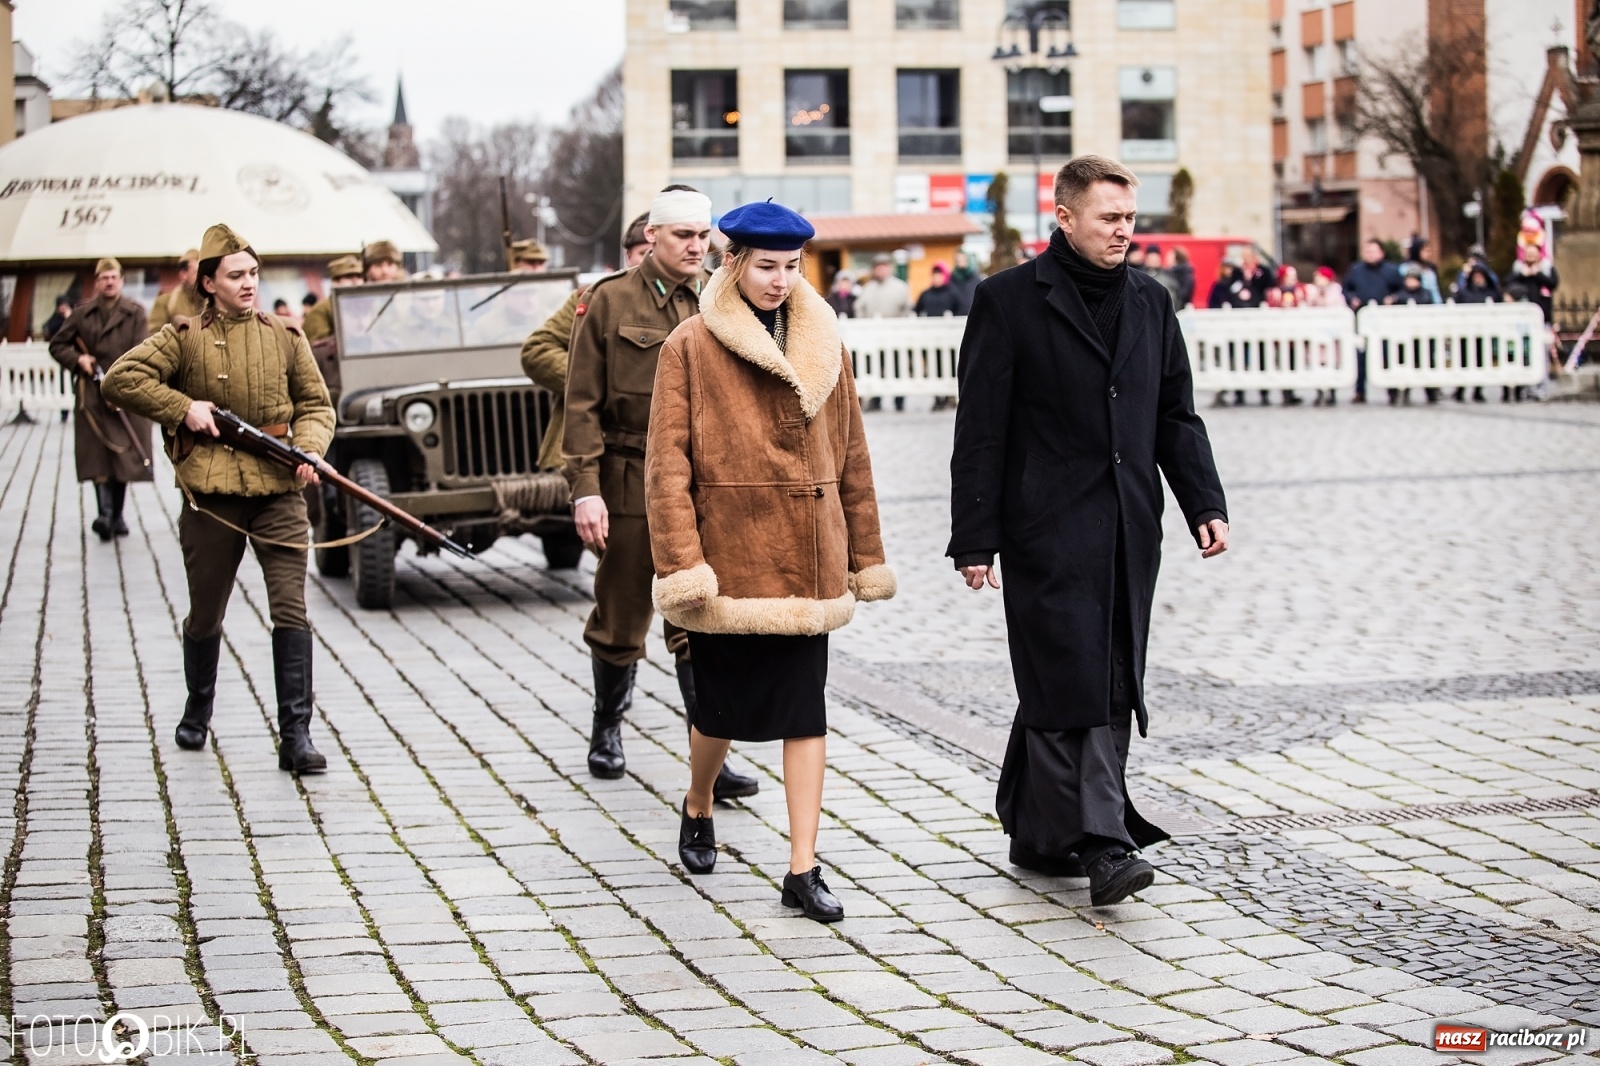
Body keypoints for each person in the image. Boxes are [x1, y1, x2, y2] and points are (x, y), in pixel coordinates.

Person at [947, 156, 1230, 907]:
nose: (1124, 231)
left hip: (1131, 526)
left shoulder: (1152, 301)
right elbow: (981, 430)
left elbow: (1175, 414)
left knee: (1108, 674)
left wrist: (1204, 502)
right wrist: (974, 537)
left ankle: (1038, 833)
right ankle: (1106, 845)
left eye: (1130, 218)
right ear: (1065, 218)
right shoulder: (1007, 301)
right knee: (1069, 676)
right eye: (1109, 218)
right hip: (1044, 528)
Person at [645, 200, 893, 921]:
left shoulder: (825, 341)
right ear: (733, 263)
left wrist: (864, 555)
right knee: (718, 713)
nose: (780, 280)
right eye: (766, 267)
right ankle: (699, 801)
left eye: (791, 267)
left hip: (808, 561)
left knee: (804, 715)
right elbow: (666, 469)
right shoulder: (689, 345)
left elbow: (852, 454)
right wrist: (684, 565)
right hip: (732, 559)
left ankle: (802, 867)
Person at [102, 224, 334, 773]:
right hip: (211, 493)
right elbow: (120, 380)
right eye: (236, 275)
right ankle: (198, 707)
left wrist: (307, 448)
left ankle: (296, 735)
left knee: (291, 609)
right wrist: (183, 408)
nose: (249, 283)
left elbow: (316, 405)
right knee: (206, 612)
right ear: (209, 283)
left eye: (253, 273)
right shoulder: (184, 337)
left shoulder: (286, 335)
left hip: (279, 487)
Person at [563, 186, 760, 801]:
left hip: (701, 487)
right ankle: (606, 730)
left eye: (703, 236)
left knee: (700, 619)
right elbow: (581, 404)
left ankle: (711, 758)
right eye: (683, 236)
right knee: (621, 615)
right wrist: (585, 490)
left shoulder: (722, 297)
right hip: (628, 479)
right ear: (652, 236)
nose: (696, 247)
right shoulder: (608, 300)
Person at [522, 213, 651, 474]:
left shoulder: (699, 300)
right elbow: (537, 349)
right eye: (644, 253)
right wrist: (596, 382)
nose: (652, 259)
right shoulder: (595, 297)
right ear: (628, 257)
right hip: (590, 449)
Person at [47, 258, 155, 541]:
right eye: (104, 277)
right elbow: (58, 345)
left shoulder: (135, 313)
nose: (109, 282)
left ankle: (117, 516)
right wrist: (78, 359)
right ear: (97, 283)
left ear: (121, 281)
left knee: (122, 455)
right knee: (98, 456)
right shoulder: (82, 314)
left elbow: (142, 353)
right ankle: (105, 515)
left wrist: (120, 388)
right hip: (92, 396)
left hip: (125, 393)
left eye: (113, 277)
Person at [1343, 238, 1402, 403]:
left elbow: (1401, 290)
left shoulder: (1391, 270)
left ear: (1382, 253)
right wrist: (1351, 299)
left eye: (1373, 251)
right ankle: (1360, 391)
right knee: (1361, 356)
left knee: (1388, 354)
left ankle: (1392, 390)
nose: (1370, 254)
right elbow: (1346, 288)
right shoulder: (1356, 270)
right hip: (1363, 318)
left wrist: (1393, 298)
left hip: (1385, 319)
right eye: (1367, 251)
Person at [855, 254, 913, 411]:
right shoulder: (868, 288)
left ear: (889, 268)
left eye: (883, 267)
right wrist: (865, 325)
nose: (880, 270)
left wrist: (899, 326)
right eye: (878, 267)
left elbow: (907, 308)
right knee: (875, 368)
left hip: (896, 336)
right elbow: (859, 308)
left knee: (898, 368)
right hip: (874, 337)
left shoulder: (900, 287)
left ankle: (899, 400)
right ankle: (876, 399)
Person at [1304, 267, 1346, 406]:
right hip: (1315, 334)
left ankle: (1332, 392)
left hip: (1331, 335)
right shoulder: (1311, 292)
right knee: (1316, 362)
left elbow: (1339, 308)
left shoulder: (1336, 292)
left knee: (1333, 362)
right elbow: (1307, 306)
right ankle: (1319, 392)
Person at [148, 248, 205, 332]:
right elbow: (154, 333)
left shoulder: (213, 300)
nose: (202, 277)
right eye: (197, 273)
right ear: (183, 275)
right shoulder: (165, 302)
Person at [1142, 243, 1181, 309]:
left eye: (1155, 258)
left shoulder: (1168, 277)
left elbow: (1175, 299)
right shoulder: (1140, 277)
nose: (1153, 261)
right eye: (1151, 258)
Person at [1408, 239, 1442, 303]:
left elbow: (1435, 292)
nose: (1429, 254)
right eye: (1426, 251)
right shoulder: (1406, 268)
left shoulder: (1431, 270)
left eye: (1429, 251)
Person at [949, 250, 981, 314]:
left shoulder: (976, 279)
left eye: (963, 259)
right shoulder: (951, 280)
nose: (961, 261)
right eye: (959, 259)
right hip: (956, 317)